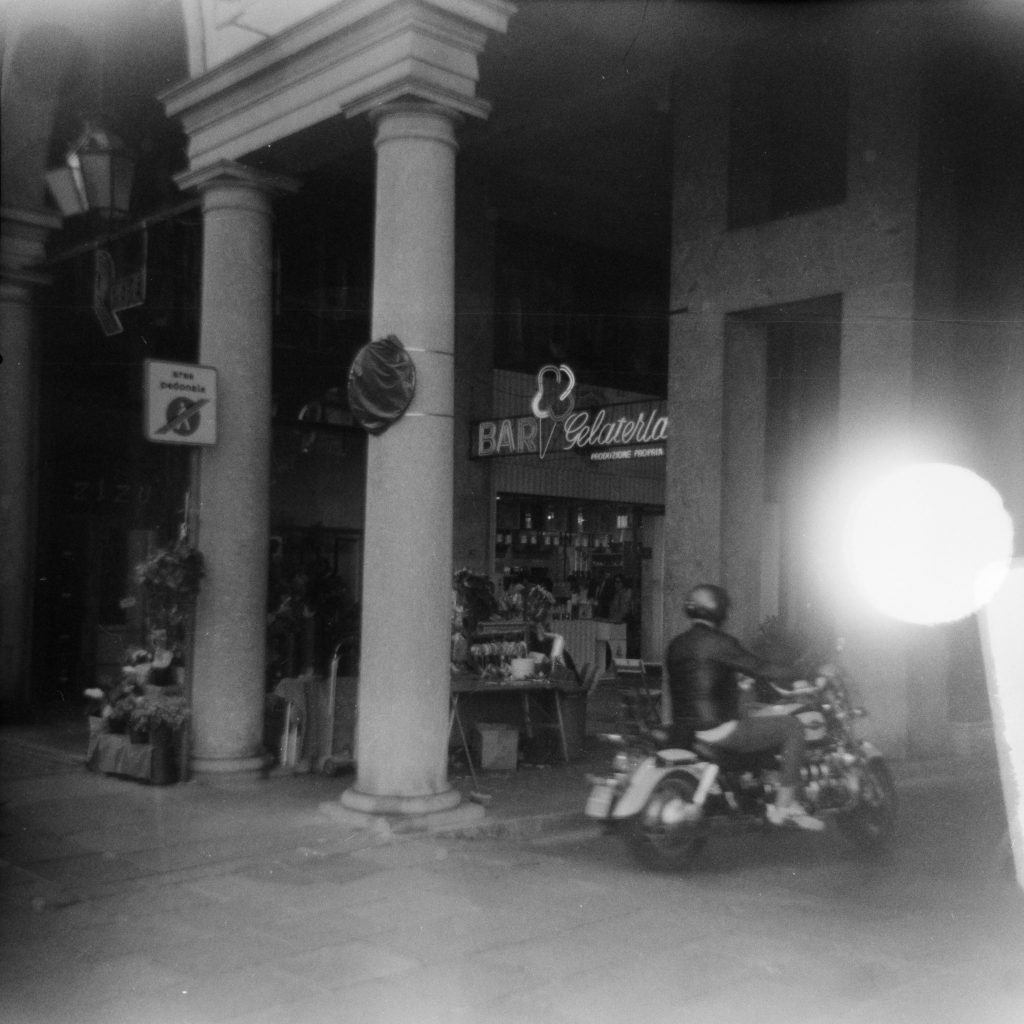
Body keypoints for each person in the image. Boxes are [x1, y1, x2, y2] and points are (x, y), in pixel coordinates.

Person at [664, 583, 824, 831]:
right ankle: (785, 805)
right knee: (792, 726)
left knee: (756, 715)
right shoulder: (720, 642)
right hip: (718, 729)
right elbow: (762, 668)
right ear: (718, 610)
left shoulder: (677, 644)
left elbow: (701, 678)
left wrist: (735, 683)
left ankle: (760, 788)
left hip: (685, 727)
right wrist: (803, 671)